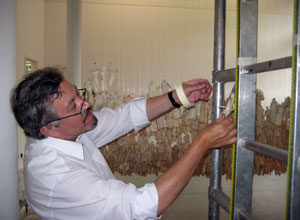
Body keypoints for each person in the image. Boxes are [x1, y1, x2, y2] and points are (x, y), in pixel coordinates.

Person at [10, 67, 237, 220]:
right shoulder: (58, 178)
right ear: (49, 127)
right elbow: (143, 205)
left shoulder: (64, 132)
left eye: (79, 94)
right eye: (73, 105)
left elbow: (124, 117)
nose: (86, 103)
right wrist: (202, 142)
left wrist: (177, 97)